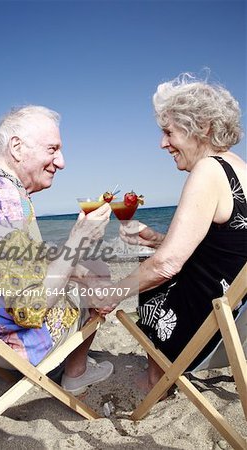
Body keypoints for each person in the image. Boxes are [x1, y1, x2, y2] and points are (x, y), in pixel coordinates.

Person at [93, 73, 247, 394]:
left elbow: (167, 265)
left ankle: (156, 382)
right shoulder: (239, 169)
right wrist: (155, 239)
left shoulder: (208, 171)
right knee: (152, 258)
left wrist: (112, 294)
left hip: (208, 331)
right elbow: (221, 249)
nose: (163, 143)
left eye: (168, 132)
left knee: (152, 280)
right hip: (240, 327)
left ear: (202, 127)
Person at [0, 105, 113, 395]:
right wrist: (79, 239)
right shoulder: (6, 202)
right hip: (7, 342)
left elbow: (12, 265)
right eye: (53, 149)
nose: (61, 162)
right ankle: (76, 372)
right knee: (99, 275)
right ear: (17, 147)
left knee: (82, 270)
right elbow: (31, 310)